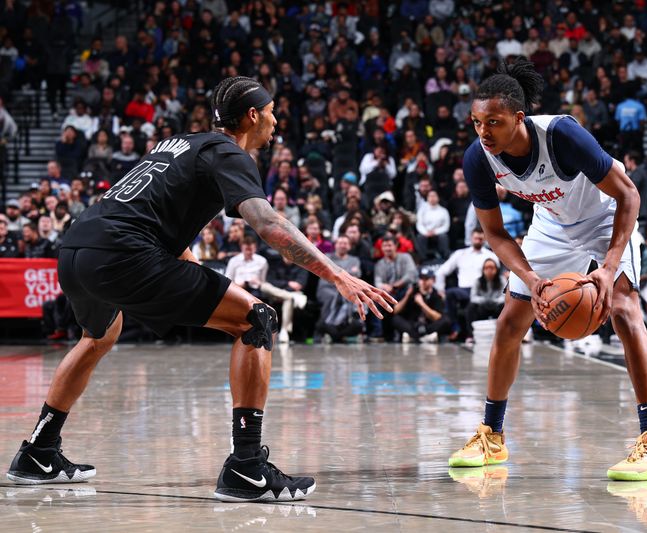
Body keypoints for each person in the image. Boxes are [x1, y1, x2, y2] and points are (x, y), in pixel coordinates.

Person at [5, 77, 394, 503]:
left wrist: (205, 280)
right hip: (123, 253)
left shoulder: (178, 143)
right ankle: (246, 468)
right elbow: (267, 225)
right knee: (256, 319)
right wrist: (339, 275)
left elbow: (162, 221)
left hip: (78, 246)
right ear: (253, 116)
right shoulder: (229, 152)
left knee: (98, 337)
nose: (276, 120)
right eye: (271, 112)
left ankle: (38, 453)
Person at [450, 60, 647, 482]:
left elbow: (629, 195)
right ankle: (491, 436)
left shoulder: (561, 135)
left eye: (494, 122)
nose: (483, 132)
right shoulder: (478, 159)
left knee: (625, 310)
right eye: (477, 122)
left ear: (520, 118)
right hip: (552, 224)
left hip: (607, 215)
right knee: (510, 321)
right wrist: (533, 280)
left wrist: (609, 268)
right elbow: (496, 235)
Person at [391, 266, 450, 343]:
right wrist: (407, 296)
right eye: (421, 279)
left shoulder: (436, 295)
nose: (423, 281)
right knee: (395, 319)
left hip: (428, 325)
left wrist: (422, 304)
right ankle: (423, 337)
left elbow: (437, 317)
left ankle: (415, 337)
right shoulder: (412, 291)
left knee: (446, 321)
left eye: (426, 279)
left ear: (433, 280)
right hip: (412, 324)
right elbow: (395, 310)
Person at [464, 258, 506, 341]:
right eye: (486, 268)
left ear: (496, 269)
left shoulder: (502, 280)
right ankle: (471, 335)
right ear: (483, 270)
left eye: (492, 268)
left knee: (505, 306)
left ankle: (506, 334)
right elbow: (473, 297)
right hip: (482, 308)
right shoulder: (478, 281)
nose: (489, 270)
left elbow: (505, 296)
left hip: (497, 307)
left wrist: (495, 301)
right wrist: (484, 300)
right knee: (470, 307)